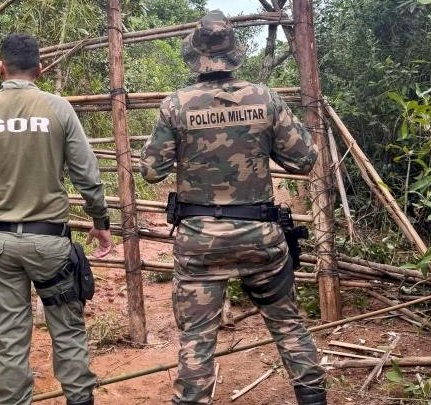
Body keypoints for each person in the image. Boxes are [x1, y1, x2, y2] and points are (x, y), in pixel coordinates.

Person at [139, 11, 327, 405]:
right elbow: (304, 159)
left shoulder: (175, 105)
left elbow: (152, 171)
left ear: (195, 54)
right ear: (234, 52)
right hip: (260, 238)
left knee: (196, 338)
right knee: (288, 324)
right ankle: (313, 398)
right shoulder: (265, 98)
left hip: (200, 242)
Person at [0, 33, 112, 405]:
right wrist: (100, 221)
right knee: (68, 333)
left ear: (1, 68)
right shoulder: (59, 109)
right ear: (39, 69)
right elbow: (88, 176)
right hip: (50, 245)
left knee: (10, 340)